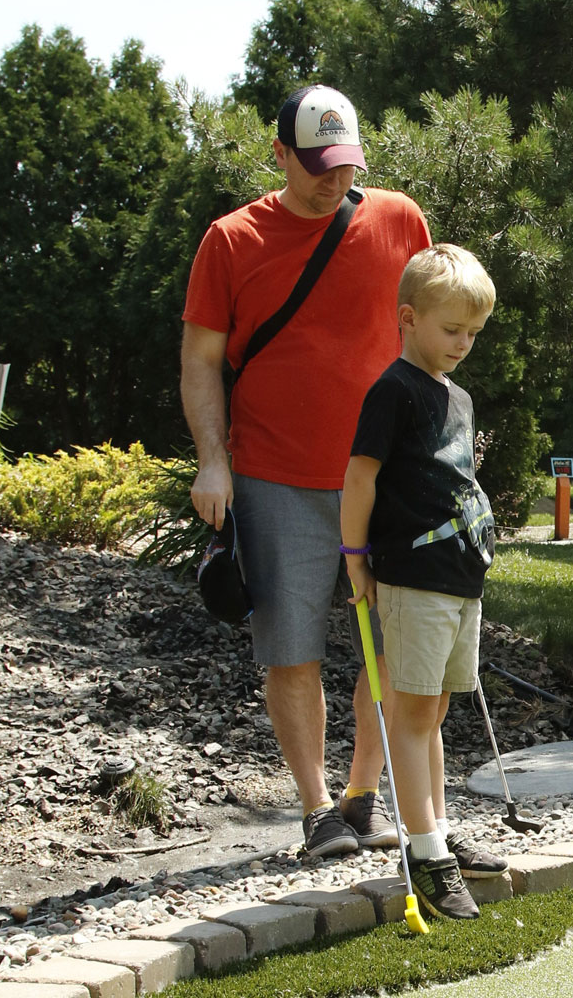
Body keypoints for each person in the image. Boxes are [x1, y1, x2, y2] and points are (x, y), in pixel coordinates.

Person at [181, 85, 431, 858]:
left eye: (345, 164)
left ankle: (364, 795)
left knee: (392, 647)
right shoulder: (231, 240)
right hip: (276, 475)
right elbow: (200, 363)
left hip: (384, 477)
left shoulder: (398, 219)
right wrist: (212, 463)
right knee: (292, 650)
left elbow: (427, 332)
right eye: (316, 164)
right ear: (281, 153)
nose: (332, 180)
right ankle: (318, 809)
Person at [340, 244, 508, 919]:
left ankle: (435, 826)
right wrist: (355, 554)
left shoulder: (457, 396)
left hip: (457, 579)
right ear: (408, 319)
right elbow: (361, 477)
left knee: (434, 711)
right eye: (451, 330)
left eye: (473, 333)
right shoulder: (393, 391)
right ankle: (426, 850)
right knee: (411, 714)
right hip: (412, 577)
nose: (463, 344)